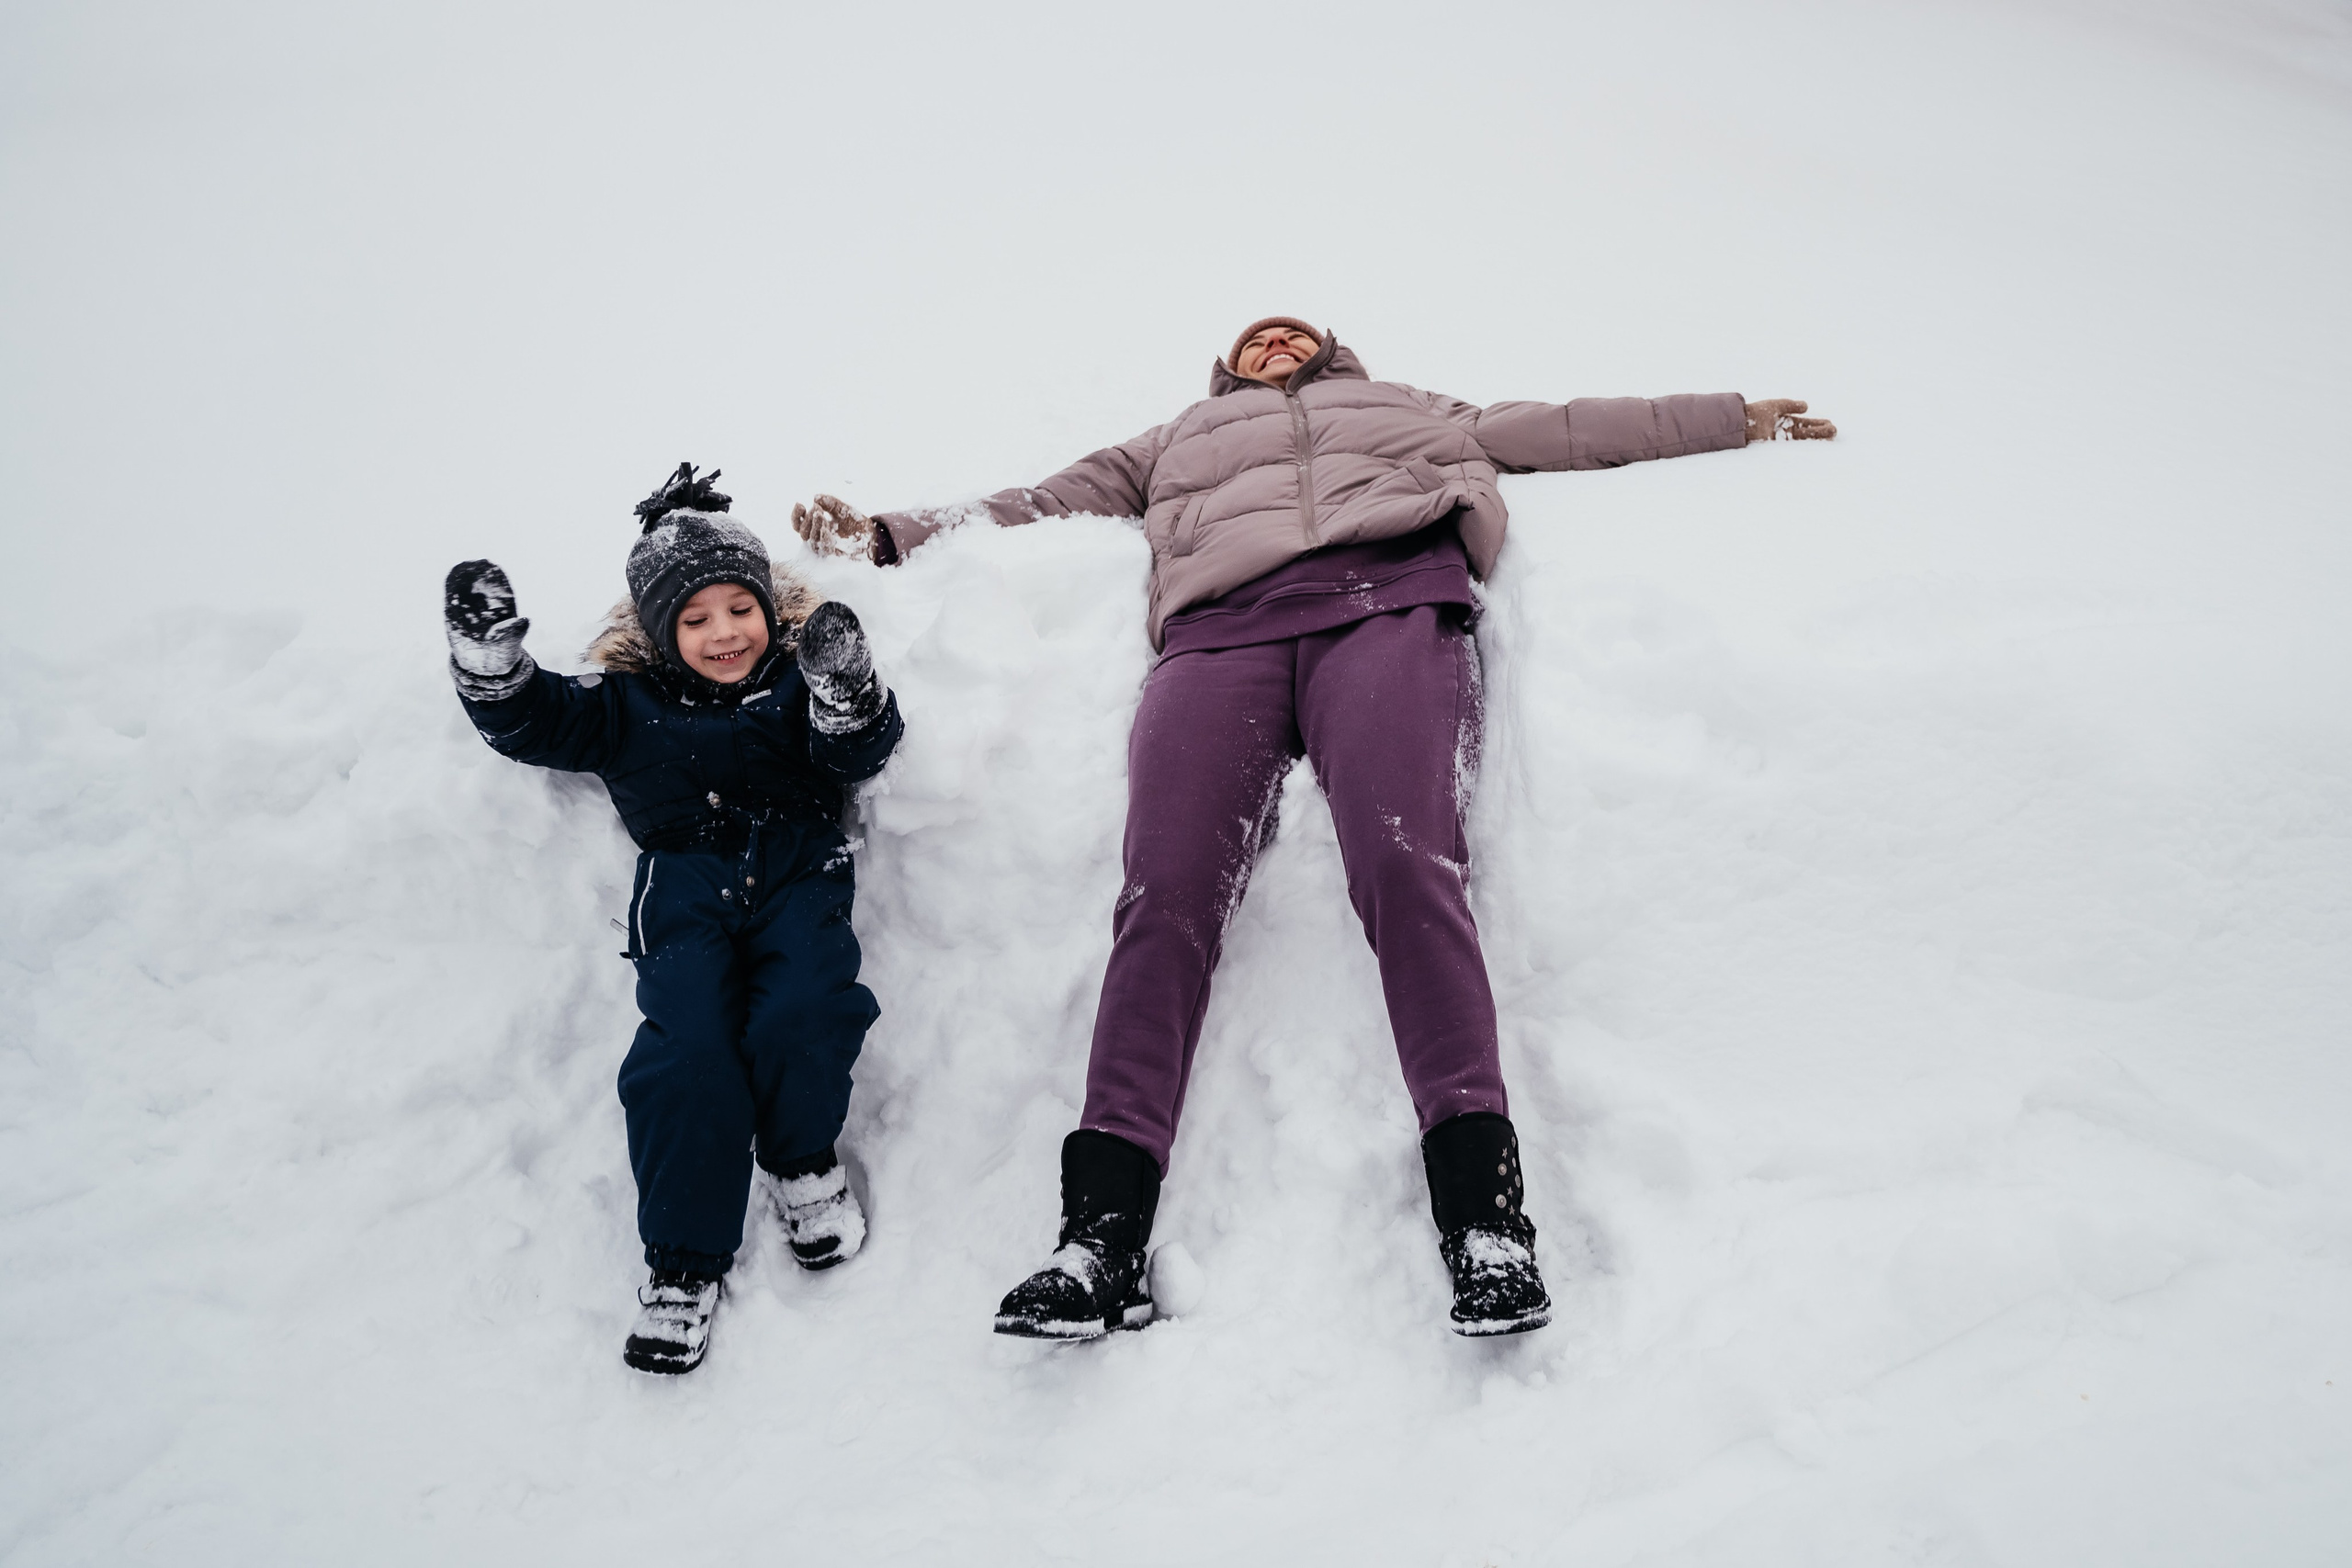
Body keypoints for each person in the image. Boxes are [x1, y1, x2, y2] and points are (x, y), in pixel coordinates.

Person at [793, 319, 1834, 1339]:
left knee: (1405, 865)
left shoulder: (1410, 409)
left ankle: (1485, 1223)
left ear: (1334, 355)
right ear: (1226, 368)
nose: (1276, 344)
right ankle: (1098, 1240)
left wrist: (1733, 418)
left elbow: (1563, 428)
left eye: (1296, 335)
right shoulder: (1174, 441)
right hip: (1217, 643)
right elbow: (1041, 499)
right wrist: (886, 534)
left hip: (1389, 611)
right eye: (1256, 340)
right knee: (1163, 898)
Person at [445, 462, 904, 1374]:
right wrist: (491, 662)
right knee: (684, 1046)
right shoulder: (623, 707)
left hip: (797, 868)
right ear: (660, 631)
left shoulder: (789, 686)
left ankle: (803, 1162)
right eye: (693, 619)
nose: (722, 632)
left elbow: (857, 752)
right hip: (682, 884)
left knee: (805, 1010)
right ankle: (683, 1264)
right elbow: (533, 721)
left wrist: (845, 689)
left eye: (738, 608)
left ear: (770, 608)